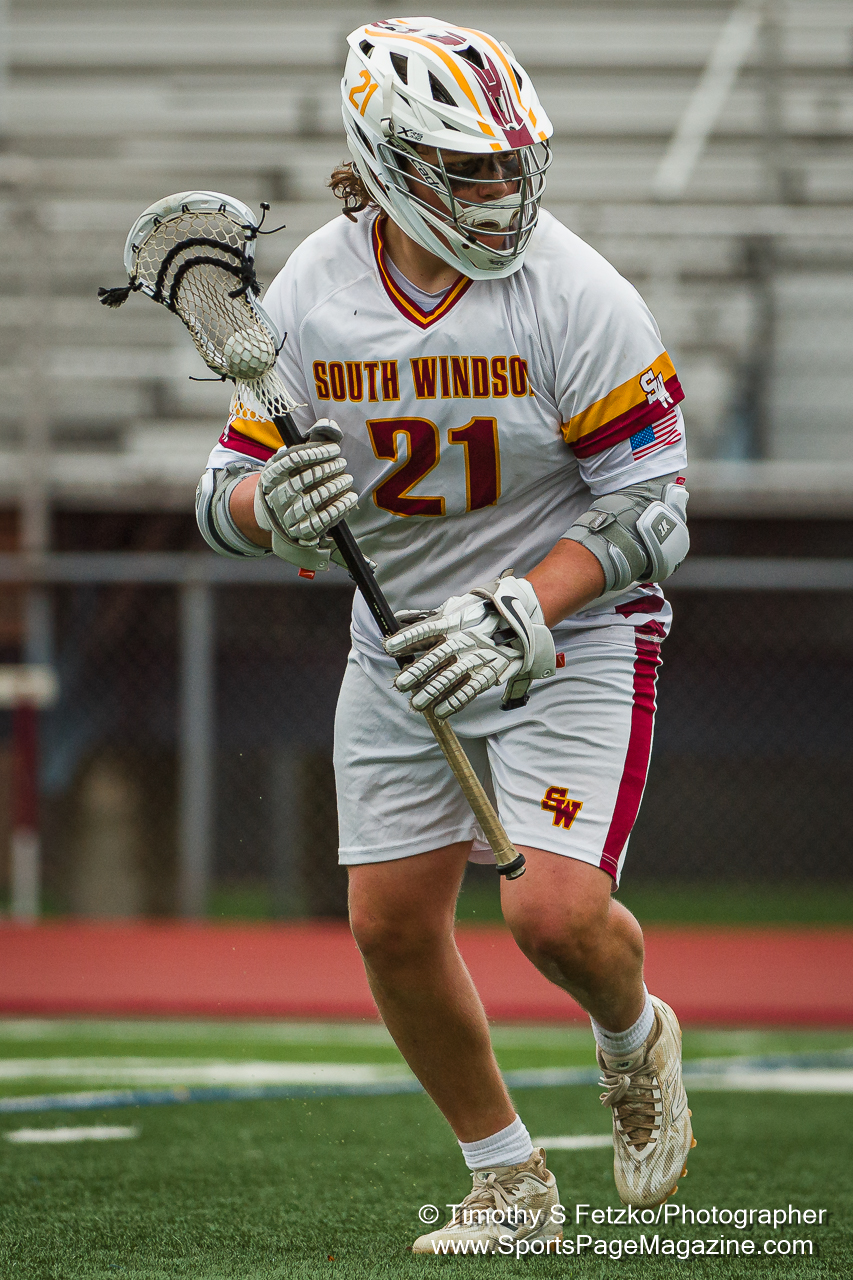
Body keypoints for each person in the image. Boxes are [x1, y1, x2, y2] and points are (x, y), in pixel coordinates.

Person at [196, 17, 694, 1255]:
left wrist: (524, 604)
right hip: (402, 640)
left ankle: (634, 1034)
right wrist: (269, 510)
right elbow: (221, 491)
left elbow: (654, 510)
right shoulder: (313, 290)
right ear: (385, 160)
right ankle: (507, 1179)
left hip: (565, 633)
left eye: (509, 163)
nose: (499, 191)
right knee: (389, 923)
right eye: (466, 169)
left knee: (552, 917)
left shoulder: (577, 292)